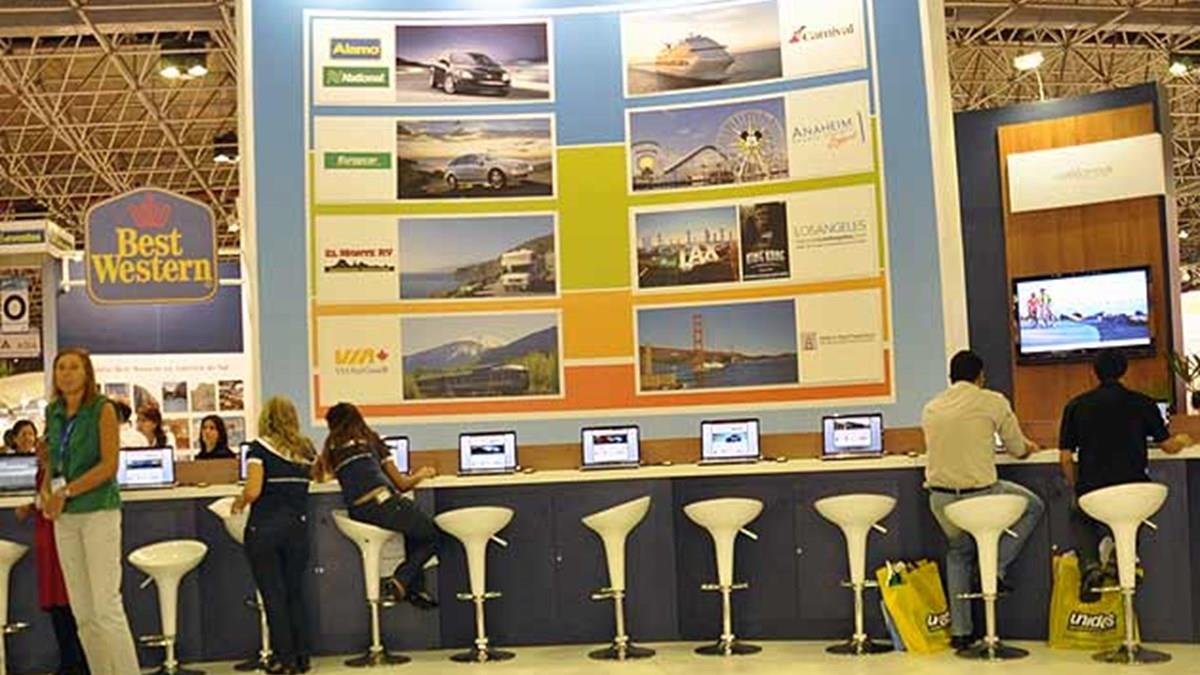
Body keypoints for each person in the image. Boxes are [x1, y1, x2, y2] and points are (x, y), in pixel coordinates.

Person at [921, 350, 1045, 650]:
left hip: (941, 501)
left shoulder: (931, 407)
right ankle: (994, 567)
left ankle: (961, 633)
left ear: (951, 377)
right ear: (980, 376)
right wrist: (1029, 447)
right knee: (1033, 506)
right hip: (981, 498)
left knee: (958, 553)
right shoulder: (992, 401)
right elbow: (1016, 449)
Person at [1059, 351, 1193, 601]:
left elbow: (1065, 457)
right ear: (1124, 371)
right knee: (1133, 511)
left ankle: (1090, 567)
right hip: (1135, 492)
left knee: (1079, 512)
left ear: (1095, 373)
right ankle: (1122, 559)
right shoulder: (1143, 403)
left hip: (1094, 491)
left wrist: (1076, 487)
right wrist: (1183, 440)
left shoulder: (1076, 405)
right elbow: (1167, 446)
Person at [42, 348, 140, 675]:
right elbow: (53, 460)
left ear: (87, 373)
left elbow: (109, 465)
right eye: (61, 367)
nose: (66, 373)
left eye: (74, 367)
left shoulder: (102, 409)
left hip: (98, 512)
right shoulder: (53, 411)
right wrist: (47, 491)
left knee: (106, 606)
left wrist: (67, 492)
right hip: (65, 517)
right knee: (82, 612)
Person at [315, 402, 439, 607]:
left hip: (358, 512)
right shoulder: (372, 440)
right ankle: (402, 579)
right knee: (433, 535)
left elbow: (319, 476)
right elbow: (402, 485)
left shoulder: (331, 448)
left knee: (414, 530)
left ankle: (413, 589)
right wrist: (422, 474)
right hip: (383, 504)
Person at [232, 398, 315, 674]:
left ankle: (284, 660)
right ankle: (302, 658)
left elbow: (254, 490)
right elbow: (319, 476)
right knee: (295, 594)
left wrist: (240, 501)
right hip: (298, 530)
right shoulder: (306, 449)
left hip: (265, 530)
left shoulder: (258, 449)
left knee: (274, 596)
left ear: (266, 418)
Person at [15, 419, 89, 675]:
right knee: (58, 606)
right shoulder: (45, 471)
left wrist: (33, 504)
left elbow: (52, 502)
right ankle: (70, 662)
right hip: (48, 540)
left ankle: (76, 663)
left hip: (59, 539)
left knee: (65, 605)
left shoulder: (57, 471)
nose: (37, 448)